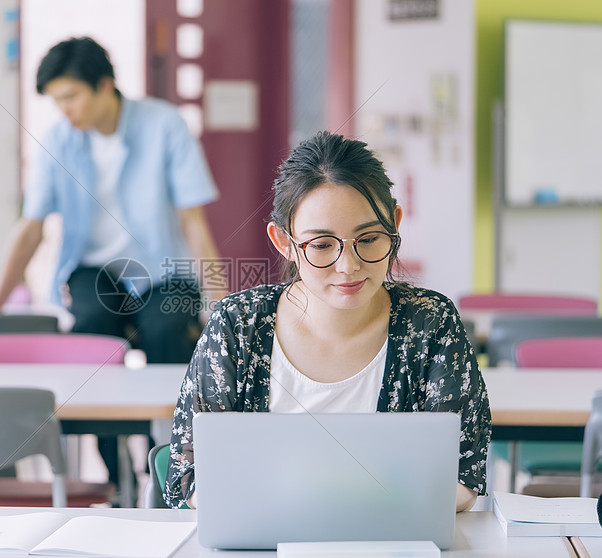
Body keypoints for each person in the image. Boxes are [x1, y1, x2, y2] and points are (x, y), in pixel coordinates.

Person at [164, 131, 491, 512]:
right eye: (321, 245)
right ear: (284, 242)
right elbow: (190, 479)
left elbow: (463, 474)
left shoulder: (430, 324)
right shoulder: (236, 326)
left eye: (368, 239)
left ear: (395, 224)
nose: (348, 266)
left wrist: (320, 506)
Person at [0, 37, 224, 493]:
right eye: (57, 101)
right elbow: (32, 228)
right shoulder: (57, 140)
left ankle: (174, 465)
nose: (65, 110)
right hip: (94, 269)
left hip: (163, 270)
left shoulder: (164, 125)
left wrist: (217, 301)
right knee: (92, 327)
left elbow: (194, 221)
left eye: (71, 97)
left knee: (167, 329)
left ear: (105, 86)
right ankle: (117, 478)